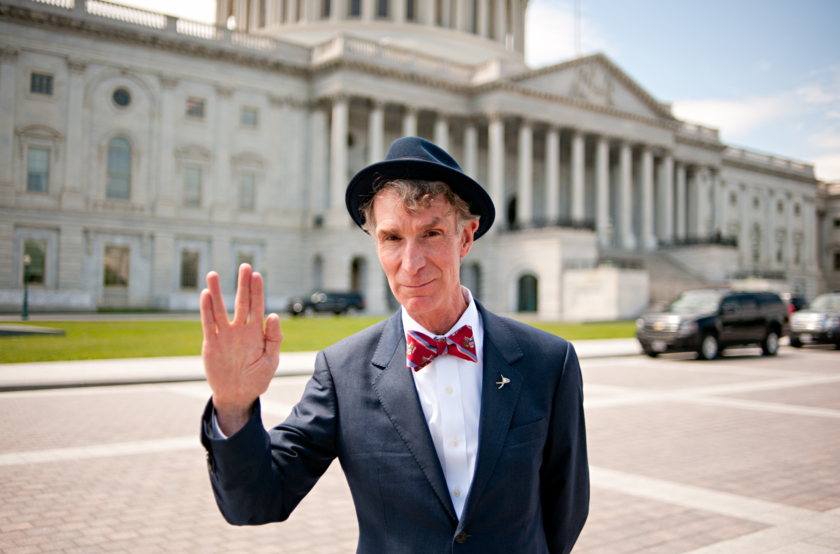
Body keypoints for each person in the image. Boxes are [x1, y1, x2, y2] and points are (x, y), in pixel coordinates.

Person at [199, 137, 589, 553]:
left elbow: (565, 510)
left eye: (431, 233)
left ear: (465, 237)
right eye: (392, 238)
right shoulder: (343, 372)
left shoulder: (549, 361)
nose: (411, 263)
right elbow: (256, 502)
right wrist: (234, 405)